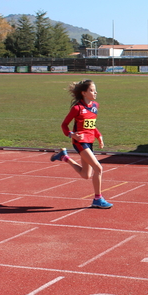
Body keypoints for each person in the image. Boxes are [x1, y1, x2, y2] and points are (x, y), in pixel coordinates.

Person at [50, 79, 113, 209]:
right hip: (80, 142)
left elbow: (91, 125)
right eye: (91, 90)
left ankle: (64, 157)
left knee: (86, 175)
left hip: (89, 142)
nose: (95, 92)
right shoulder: (77, 108)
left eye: (95, 89)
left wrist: (98, 136)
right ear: (84, 93)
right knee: (98, 168)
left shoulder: (95, 106)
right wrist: (72, 134)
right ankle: (98, 199)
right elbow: (64, 125)